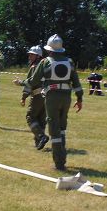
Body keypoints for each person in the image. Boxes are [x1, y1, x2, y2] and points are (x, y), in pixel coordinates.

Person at [26, 34, 83, 171]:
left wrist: (23, 83)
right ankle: (62, 158)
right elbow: (76, 82)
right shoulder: (69, 62)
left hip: (52, 97)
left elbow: (34, 80)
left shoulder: (46, 62)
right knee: (62, 127)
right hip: (66, 97)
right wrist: (79, 99)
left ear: (49, 49)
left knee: (54, 129)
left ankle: (59, 163)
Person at [18, 45, 49, 150]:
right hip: (47, 96)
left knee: (30, 117)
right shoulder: (46, 65)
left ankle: (41, 137)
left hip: (37, 96)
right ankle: (39, 143)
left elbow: (29, 84)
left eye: (31, 55)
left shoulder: (34, 67)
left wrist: (23, 97)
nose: (29, 57)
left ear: (38, 56)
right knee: (41, 119)